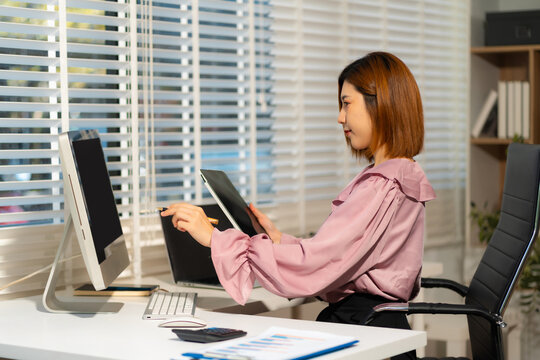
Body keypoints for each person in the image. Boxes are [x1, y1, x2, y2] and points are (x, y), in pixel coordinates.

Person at [162, 51, 436, 360]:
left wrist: (215, 238)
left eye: (347, 103)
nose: (340, 117)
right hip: (375, 326)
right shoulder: (401, 174)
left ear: (380, 103)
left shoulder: (381, 185)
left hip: (367, 330)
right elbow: (341, 256)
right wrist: (279, 241)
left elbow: (315, 265)